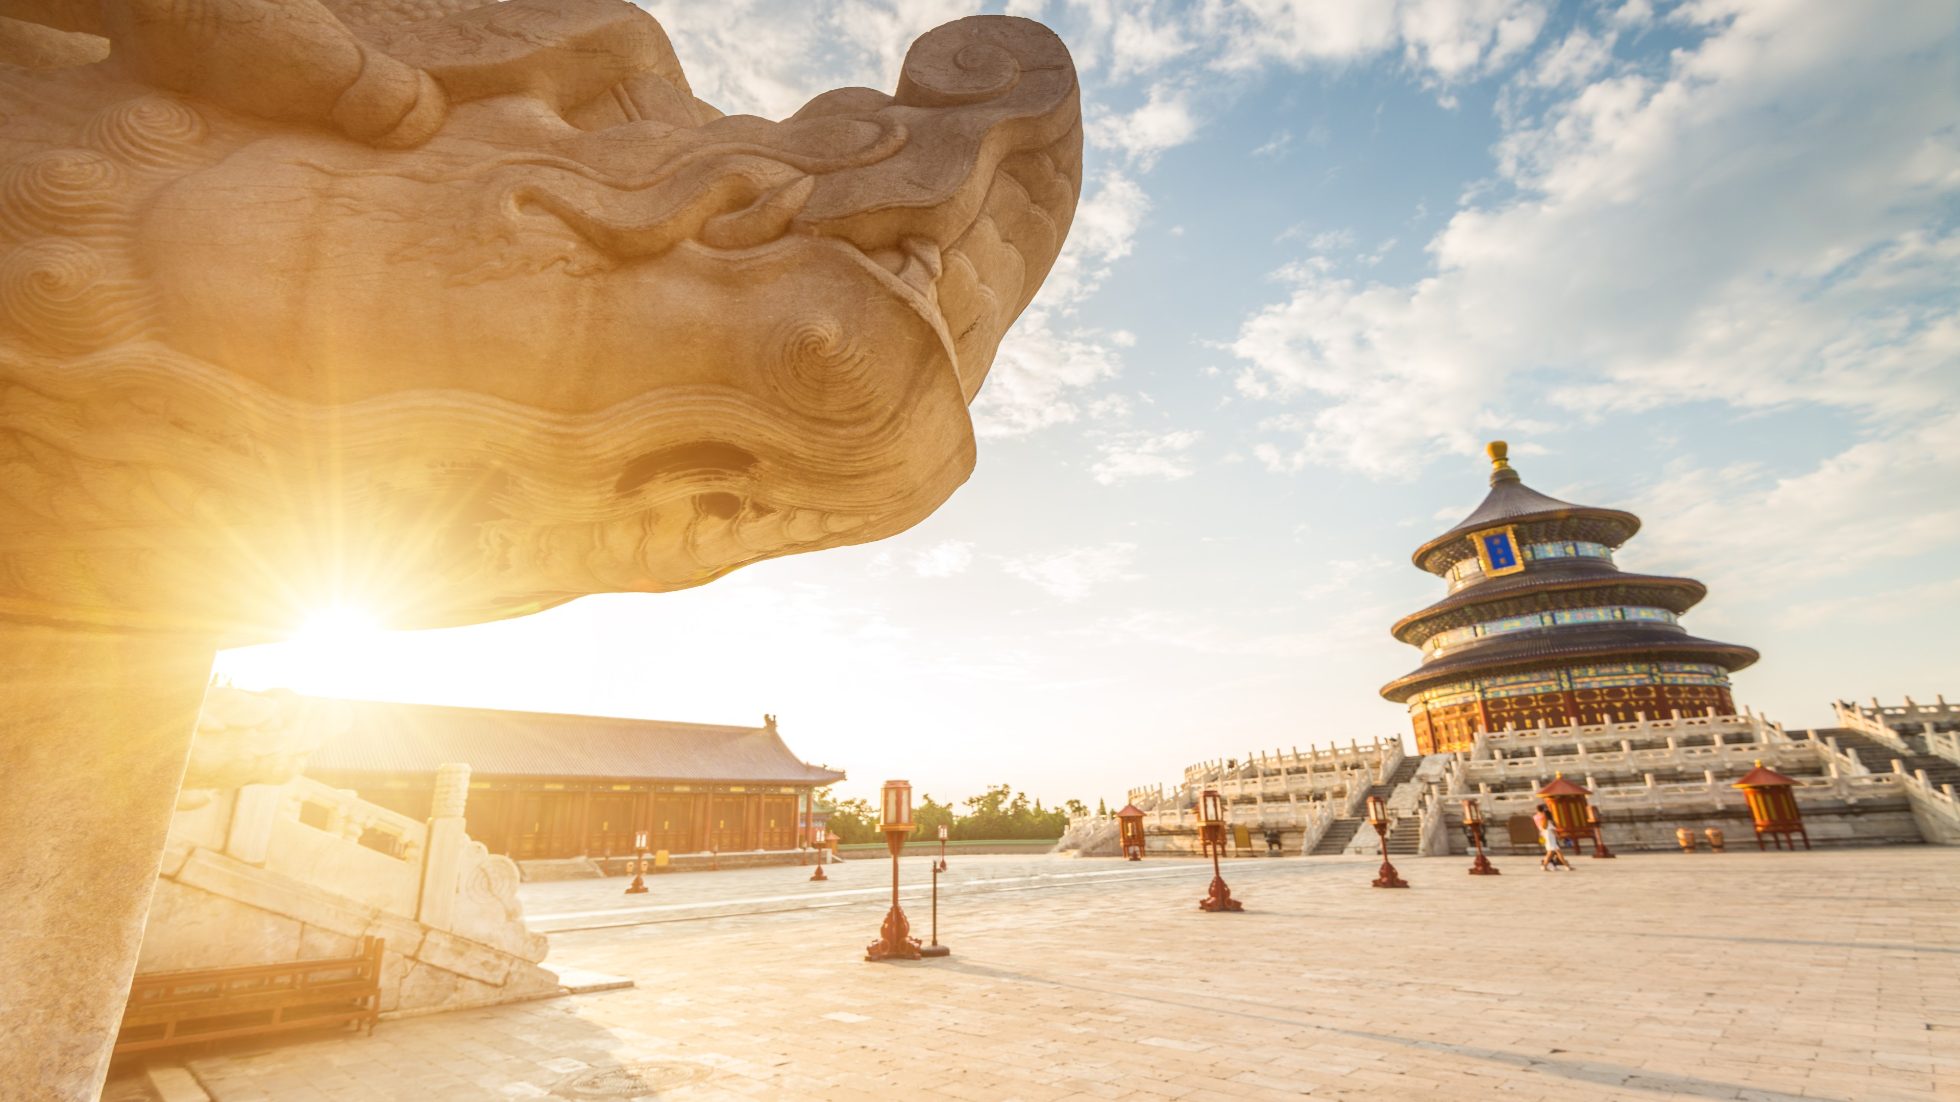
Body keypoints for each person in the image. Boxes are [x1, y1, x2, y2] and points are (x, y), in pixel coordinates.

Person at [1534, 803, 1573, 871]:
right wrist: (1558, 836)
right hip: (1549, 836)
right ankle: (1544, 866)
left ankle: (1567, 866)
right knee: (1551, 852)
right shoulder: (1546, 818)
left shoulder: (1536, 817)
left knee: (1557, 852)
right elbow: (1551, 829)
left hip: (1544, 834)